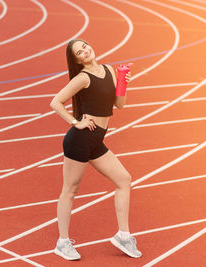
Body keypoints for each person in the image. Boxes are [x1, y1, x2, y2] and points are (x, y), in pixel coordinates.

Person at [50, 39, 142, 261]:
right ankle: (62, 243)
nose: (85, 51)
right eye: (79, 52)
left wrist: (122, 83)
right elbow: (56, 102)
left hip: (96, 140)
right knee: (70, 190)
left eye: (85, 46)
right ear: (77, 60)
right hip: (80, 139)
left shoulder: (109, 70)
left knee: (124, 180)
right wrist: (75, 122)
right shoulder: (82, 78)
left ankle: (123, 235)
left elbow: (119, 105)